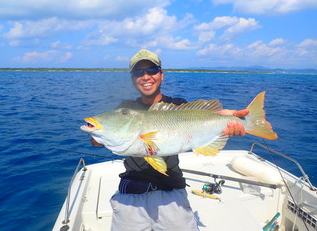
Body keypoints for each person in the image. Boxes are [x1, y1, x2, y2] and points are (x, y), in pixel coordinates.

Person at [90, 49, 249, 231]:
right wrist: (95, 132)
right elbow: (97, 140)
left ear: (161, 75)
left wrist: (230, 118)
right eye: (138, 72)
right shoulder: (126, 109)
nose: (146, 76)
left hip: (171, 190)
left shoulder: (178, 105)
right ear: (132, 78)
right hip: (130, 193)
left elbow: (204, 117)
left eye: (151, 70)